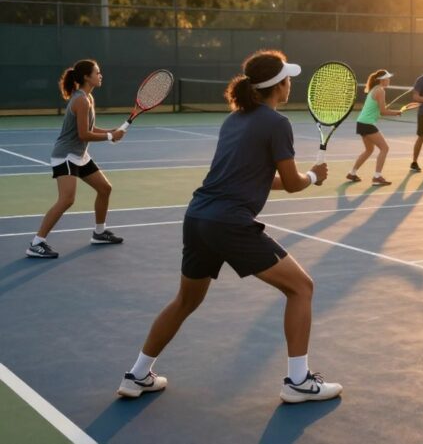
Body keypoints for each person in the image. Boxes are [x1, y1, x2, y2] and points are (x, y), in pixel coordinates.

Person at [116, 50, 342, 403]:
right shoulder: (276, 123)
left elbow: (260, 179)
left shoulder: (234, 120)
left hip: (198, 218)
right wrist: (312, 176)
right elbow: (292, 182)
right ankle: (298, 382)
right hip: (229, 223)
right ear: (277, 86)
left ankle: (137, 375)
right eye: (287, 78)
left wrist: (305, 177)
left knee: (186, 300)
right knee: (301, 288)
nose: (290, 83)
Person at [27, 60, 125, 259]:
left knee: (105, 188)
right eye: (97, 72)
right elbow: (83, 134)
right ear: (87, 77)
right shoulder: (80, 100)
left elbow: (89, 129)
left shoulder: (88, 98)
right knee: (67, 200)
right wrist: (109, 137)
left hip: (79, 156)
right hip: (65, 156)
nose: (100, 75)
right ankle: (37, 243)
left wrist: (110, 132)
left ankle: (99, 233)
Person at [347, 69, 402, 186]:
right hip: (367, 124)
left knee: (369, 150)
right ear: (382, 80)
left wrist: (384, 112)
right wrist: (397, 112)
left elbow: (378, 110)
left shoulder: (374, 89)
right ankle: (377, 177)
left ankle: (352, 173)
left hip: (361, 123)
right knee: (384, 148)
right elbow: (383, 111)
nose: (389, 80)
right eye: (387, 78)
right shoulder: (380, 91)